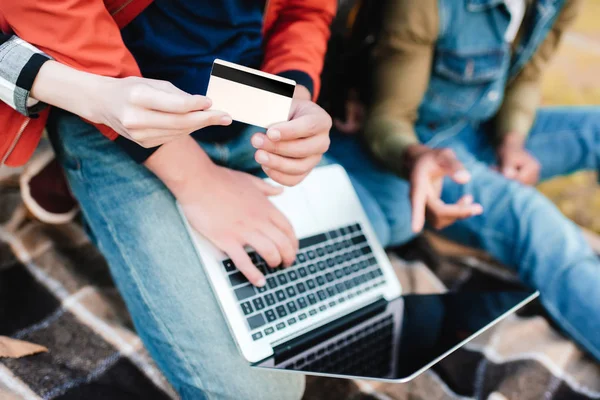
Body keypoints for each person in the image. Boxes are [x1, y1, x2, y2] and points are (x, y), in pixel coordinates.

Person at [0, 0, 414, 398]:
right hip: (116, 106)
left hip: (254, 98)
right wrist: (197, 182)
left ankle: (94, 200)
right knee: (258, 391)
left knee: (381, 227)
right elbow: (54, 17)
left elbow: (306, 10)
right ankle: (91, 191)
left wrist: (297, 98)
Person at [327, 0, 600, 362]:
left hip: (484, 130)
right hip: (428, 145)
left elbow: (527, 76)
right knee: (538, 222)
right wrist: (415, 158)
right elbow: (388, 116)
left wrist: (513, 141)